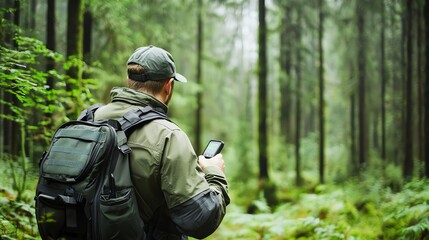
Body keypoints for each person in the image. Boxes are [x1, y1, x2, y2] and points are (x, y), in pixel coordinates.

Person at [94, 45, 230, 239]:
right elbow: (200, 219)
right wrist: (214, 172)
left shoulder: (90, 118)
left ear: (128, 81)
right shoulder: (168, 136)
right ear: (168, 85)